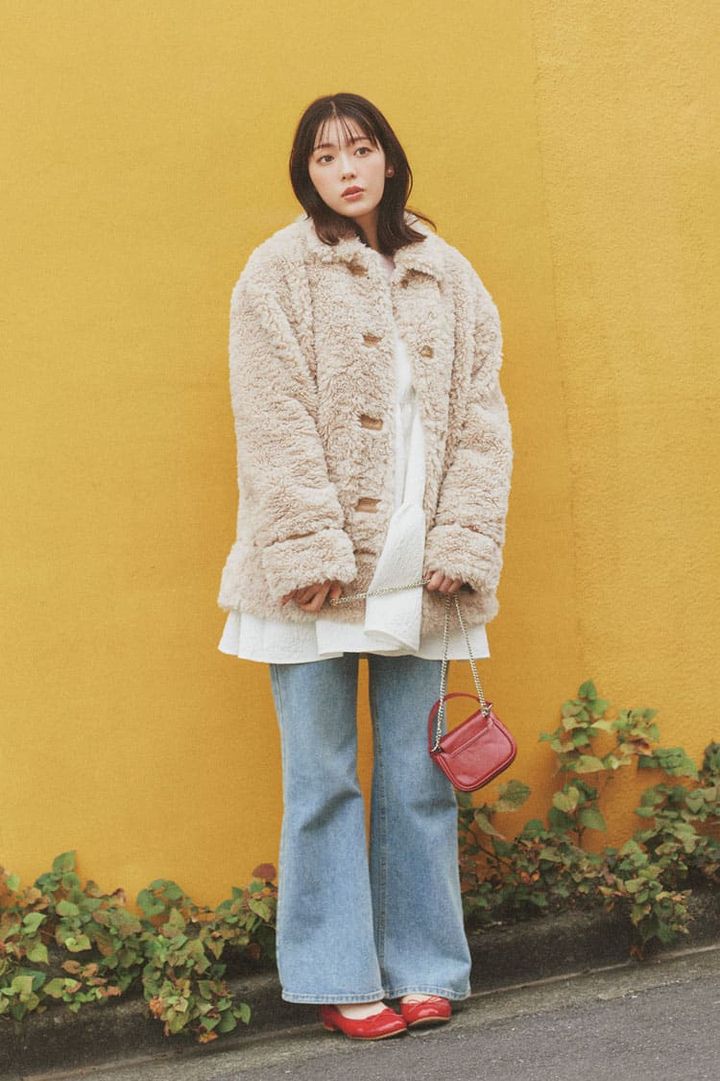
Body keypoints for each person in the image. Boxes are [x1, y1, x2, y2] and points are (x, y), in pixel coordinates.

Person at [217, 92, 513, 1040]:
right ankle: (339, 972)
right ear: (305, 173)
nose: (345, 169)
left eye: (360, 148)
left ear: (389, 157)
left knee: (418, 779)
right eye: (324, 156)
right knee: (322, 778)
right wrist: (306, 545)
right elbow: (270, 414)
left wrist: (464, 538)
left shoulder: (449, 274)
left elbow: (481, 417)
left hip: (424, 570)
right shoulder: (276, 273)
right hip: (311, 576)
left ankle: (425, 965)